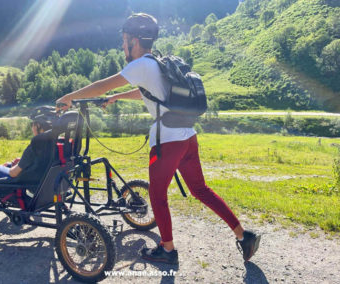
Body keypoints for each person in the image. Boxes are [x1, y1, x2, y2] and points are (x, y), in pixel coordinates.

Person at [56, 13, 261, 264]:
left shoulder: (141, 64)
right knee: (200, 189)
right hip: (187, 136)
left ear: (133, 40)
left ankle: (167, 249)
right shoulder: (156, 62)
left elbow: (102, 85)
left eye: (124, 41)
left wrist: (69, 97)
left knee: (157, 195)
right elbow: (148, 92)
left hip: (168, 142)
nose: (122, 46)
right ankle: (244, 235)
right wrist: (118, 98)